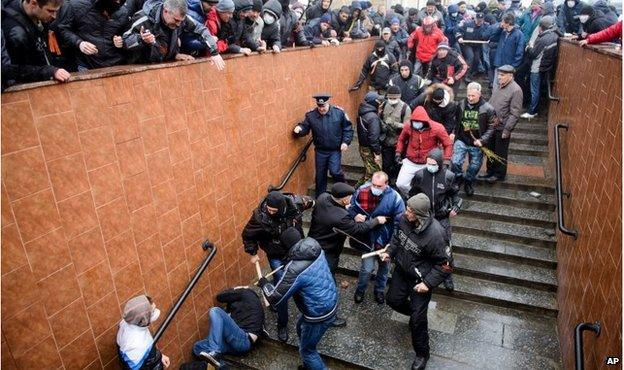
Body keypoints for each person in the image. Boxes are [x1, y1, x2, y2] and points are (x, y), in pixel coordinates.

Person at [380, 193, 452, 370]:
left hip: (421, 280)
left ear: (420, 214)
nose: (405, 213)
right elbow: (398, 239)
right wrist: (389, 252)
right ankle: (413, 315)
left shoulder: (437, 234)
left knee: (419, 320)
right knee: (393, 301)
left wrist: (427, 284)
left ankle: (422, 354)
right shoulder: (404, 220)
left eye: (410, 210)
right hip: (402, 271)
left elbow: (446, 266)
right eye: (407, 208)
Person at [308, 182, 387, 327]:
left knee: (319, 281)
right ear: (344, 200)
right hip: (328, 252)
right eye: (350, 197)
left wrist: (352, 215)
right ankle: (329, 317)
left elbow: (341, 212)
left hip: (313, 244)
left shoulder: (323, 198)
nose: (351, 199)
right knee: (328, 286)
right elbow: (358, 229)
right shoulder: (340, 217)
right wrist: (376, 220)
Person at [258, 228, 338, 370]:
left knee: (307, 351)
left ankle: (312, 363)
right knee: (300, 327)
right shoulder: (315, 247)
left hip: (318, 314)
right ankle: (309, 366)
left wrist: (264, 284)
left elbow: (274, 298)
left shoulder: (294, 269)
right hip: (329, 300)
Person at [241, 190, 314, 342]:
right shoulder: (260, 217)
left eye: (274, 210)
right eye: (269, 208)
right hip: (276, 254)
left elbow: (311, 202)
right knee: (281, 290)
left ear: (282, 208)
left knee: (299, 283)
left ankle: (308, 312)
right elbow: (247, 234)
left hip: (295, 249)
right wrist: (252, 252)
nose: (270, 212)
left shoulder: (295, 204)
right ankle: (282, 324)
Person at [408, 148, 460, 291]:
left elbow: (455, 194)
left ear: (439, 162)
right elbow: (412, 194)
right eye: (428, 162)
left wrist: (456, 207)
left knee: (446, 247)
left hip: (441, 216)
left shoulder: (448, 176)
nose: (430, 165)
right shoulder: (419, 175)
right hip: (424, 217)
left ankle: (447, 275)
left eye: (432, 163)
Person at [349, 171, 405, 304]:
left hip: (385, 240)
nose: (375, 188)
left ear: (386, 184)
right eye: (373, 184)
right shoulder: (361, 191)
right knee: (366, 270)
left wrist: (391, 246)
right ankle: (360, 290)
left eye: (379, 186)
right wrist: (354, 215)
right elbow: (351, 207)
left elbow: (399, 224)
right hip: (367, 238)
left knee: (384, 269)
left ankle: (379, 291)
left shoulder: (395, 198)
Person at [122, 0, 225, 67]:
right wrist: (141, 39)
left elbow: (201, 29)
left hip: (165, 63)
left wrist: (214, 52)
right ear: (166, 11)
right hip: (142, 66)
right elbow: (124, 42)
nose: (179, 24)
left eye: (181, 21)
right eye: (176, 20)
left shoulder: (180, 19)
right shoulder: (143, 19)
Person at [293, 94, 354, 197]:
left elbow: (347, 129)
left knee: (335, 171)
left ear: (328, 103)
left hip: (335, 149)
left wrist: (345, 142)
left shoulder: (338, 113)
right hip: (320, 151)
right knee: (320, 176)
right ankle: (320, 197)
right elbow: (305, 127)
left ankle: (345, 191)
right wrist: (299, 129)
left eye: (323, 106)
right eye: (319, 106)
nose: (321, 109)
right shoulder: (311, 115)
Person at [57, 0, 143, 70]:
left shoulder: (123, 11)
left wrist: (121, 41)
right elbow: (63, 29)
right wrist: (79, 43)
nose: (117, 3)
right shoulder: (76, 6)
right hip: (86, 65)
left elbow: (126, 34)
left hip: (116, 64)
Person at [1, 0, 71, 84]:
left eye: (56, 11)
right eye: (50, 11)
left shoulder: (39, 15)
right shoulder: (15, 33)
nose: (54, 16)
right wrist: (48, 71)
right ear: (33, 3)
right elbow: (10, 71)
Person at [192, 287, 264, 367]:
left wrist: (236, 288)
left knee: (215, 311)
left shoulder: (246, 293)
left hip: (244, 339)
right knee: (198, 347)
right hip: (234, 344)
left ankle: (214, 351)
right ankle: (222, 366)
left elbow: (220, 297)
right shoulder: (246, 307)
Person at [395, 106, 452, 197]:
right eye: (414, 121)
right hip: (411, 161)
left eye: (419, 122)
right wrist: (398, 152)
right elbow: (401, 139)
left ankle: (424, 202)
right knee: (401, 184)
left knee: (427, 187)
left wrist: (446, 160)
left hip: (428, 162)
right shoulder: (408, 126)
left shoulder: (437, 128)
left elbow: (448, 144)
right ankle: (412, 198)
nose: (416, 124)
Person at [450, 81, 496, 195]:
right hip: (462, 139)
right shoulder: (460, 104)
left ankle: (468, 181)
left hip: (477, 142)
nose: (470, 98)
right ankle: (458, 178)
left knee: (475, 166)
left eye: (473, 96)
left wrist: (482, 140)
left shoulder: (488, 109)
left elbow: (492, 127)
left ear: (479, 94)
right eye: (468, 95)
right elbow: (455, 120)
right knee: (455, 162)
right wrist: (452, 132)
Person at [481, 65, 522, 182]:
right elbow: (492, 102)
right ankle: (490, 171)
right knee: (490, 150)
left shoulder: (516, 90)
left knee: (500, 152)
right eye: (499, 74)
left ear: (510, 76)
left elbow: (515, 113)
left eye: (502, 75)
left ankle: (499, 175)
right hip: (492, 126)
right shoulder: (498, 86)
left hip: (502, 128)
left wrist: (507, 129)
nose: (499, 77)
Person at [522, 16, 561, 119]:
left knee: (534, 90)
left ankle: (532, 111)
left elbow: (533, 54)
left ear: (540, 27)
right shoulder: (554, 35)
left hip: (537, 67)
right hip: (546, 67)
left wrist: (529, 47)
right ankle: (535, 109)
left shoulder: (543, 39)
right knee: (537, 89)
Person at [117, 295, 171, 369]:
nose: (157, 311)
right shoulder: (138, 346)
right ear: (143, 319)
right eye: (153, 311)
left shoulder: (129, 321)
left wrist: (159, 356)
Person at [381, 85, 412, 182]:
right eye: (390, 98)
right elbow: (380, 118)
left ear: (399, 97)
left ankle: (396, 182)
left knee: (397, 164)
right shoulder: (384, 105)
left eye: (394, 98)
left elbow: (407, 127)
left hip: (398, 141)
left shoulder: (405, 108)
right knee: (386, 164)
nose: (392, 100)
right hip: (386, 140)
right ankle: (386, 182)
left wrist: (395, 124)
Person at [355, 92, 385, 187]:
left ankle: (355, 190)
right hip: (369, 149)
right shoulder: (372, 117)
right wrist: (377, 153)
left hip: (364, 147)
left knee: (369, 172)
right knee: (374, 173)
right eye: (378, 101)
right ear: (374, 102)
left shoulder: (364, 112)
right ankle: (356, 191)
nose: (380, 103)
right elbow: (373, 137)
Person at [486, 13, 525, 84]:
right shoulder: (502, 32)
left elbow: (520, 52)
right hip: (499, 64)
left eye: (502, 21)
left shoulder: (519, 35)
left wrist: (513, 66)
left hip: (508, 66)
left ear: (508, 23)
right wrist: (499, 28)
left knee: (506, 87)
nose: (501, 23)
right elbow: (492, 38)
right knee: (496, 86)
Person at [456, 12, 489, 82]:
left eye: (481, 21)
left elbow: (489, 34)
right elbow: (458, 30)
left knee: (477, 59)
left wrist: (488, 39)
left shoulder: (486, 26)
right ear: (475, 19)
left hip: (477, 45)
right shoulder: (468, 24)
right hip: (467, 44)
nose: (479, 22)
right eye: (478, 20)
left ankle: (472, 73)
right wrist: (459, 37)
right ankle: (466, 75)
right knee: (470, 57)